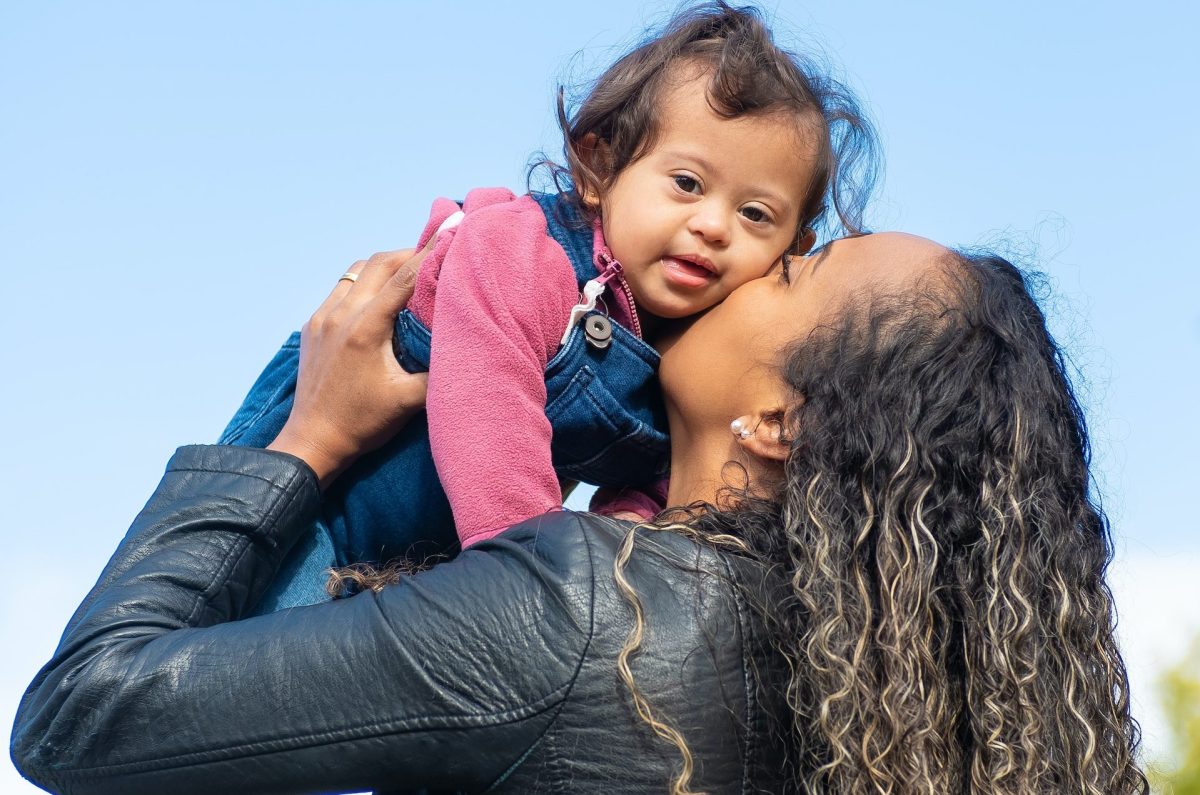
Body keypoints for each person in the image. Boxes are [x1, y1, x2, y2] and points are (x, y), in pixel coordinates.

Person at [11, 233, 1147, 794]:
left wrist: (311, 438)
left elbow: (81, 717)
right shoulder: (845, 686)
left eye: (796, 269)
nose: (749, 257)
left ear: (780, 423)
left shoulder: (590, 609)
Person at [217, 2, 879, 611]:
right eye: (687, 183)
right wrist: (537, 571)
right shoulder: (522, 250)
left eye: (755, 213)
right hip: (325, 508)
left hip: (430, 562)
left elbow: (659, 478)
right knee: (254, 647)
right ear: (599, 168)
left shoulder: (680, 355)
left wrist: (626, 536)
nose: (712, 224)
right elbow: (484, 399)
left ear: (792, 246)